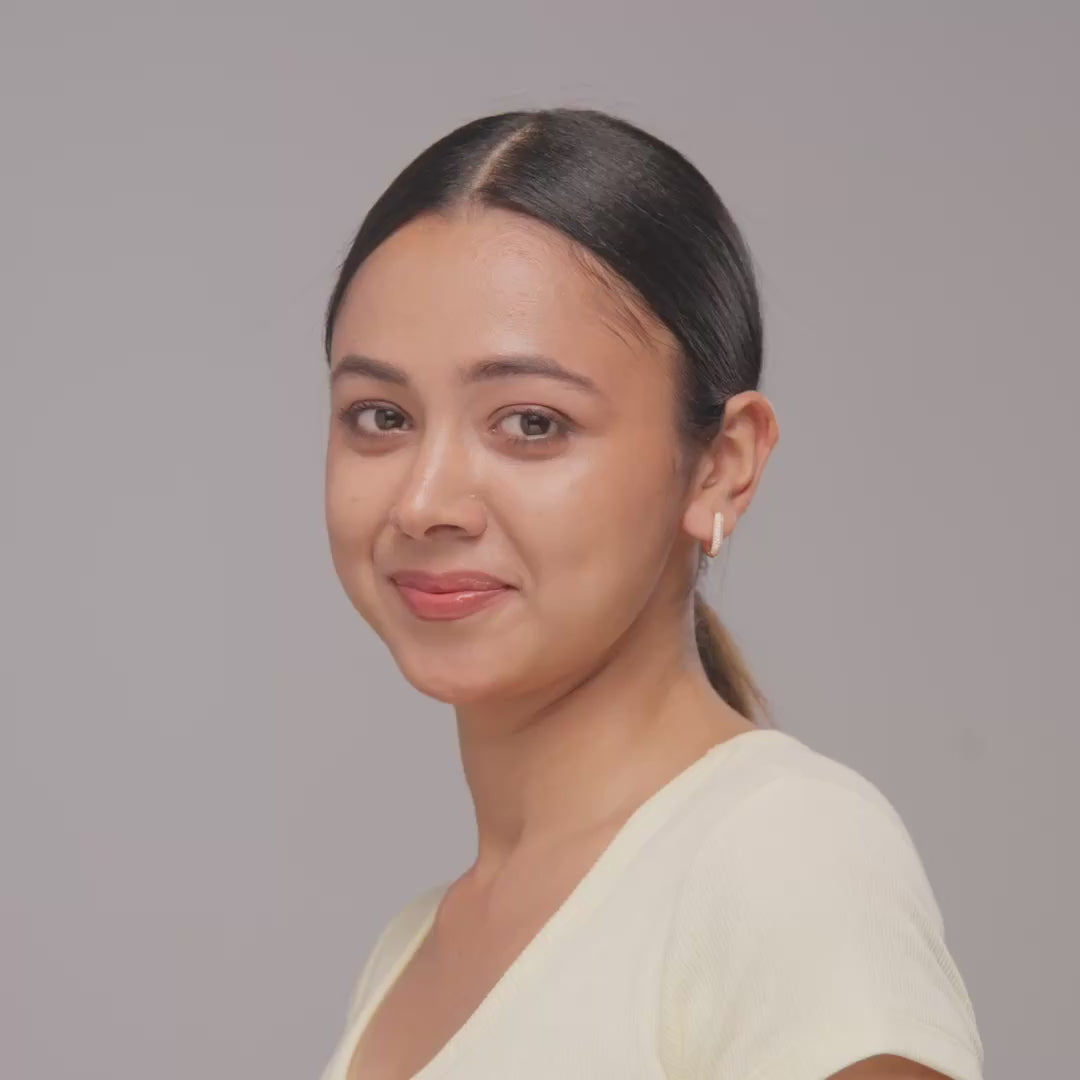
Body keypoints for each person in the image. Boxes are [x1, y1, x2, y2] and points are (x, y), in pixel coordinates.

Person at [316, 107, 984, 1080]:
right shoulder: (411, 951)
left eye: (532, 423)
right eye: (381, 416)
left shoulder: (785, 857)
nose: (424, 503)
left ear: (721, 464)